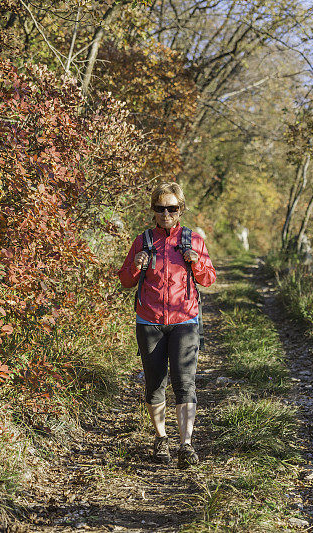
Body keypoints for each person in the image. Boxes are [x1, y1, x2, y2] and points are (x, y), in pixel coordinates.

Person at [117, 182, 216, 467]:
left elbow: (208, 279)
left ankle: (186, 445)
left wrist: (196, 263)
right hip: (149, 321)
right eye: (160, 209)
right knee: (155, 384)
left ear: (180, 209)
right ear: (153, 210)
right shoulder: (143, 241)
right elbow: (126, 281)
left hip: (185, 320)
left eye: (172, 208)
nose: (166, 213)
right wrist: (135, 265)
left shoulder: (192, 240)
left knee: (185, 384)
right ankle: (161, 439)